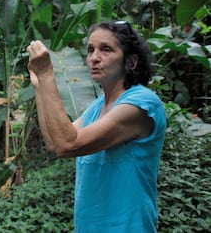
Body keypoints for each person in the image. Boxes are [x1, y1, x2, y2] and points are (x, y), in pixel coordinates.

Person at [26, 21, 167, 232]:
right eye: (91, 50)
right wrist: (39, 86)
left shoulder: (141, 104)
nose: (94, 58)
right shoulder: (98, 105)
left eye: (106, 49)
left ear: (131, 62)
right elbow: (54, 143)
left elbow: (67, 144)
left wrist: (47, 73)